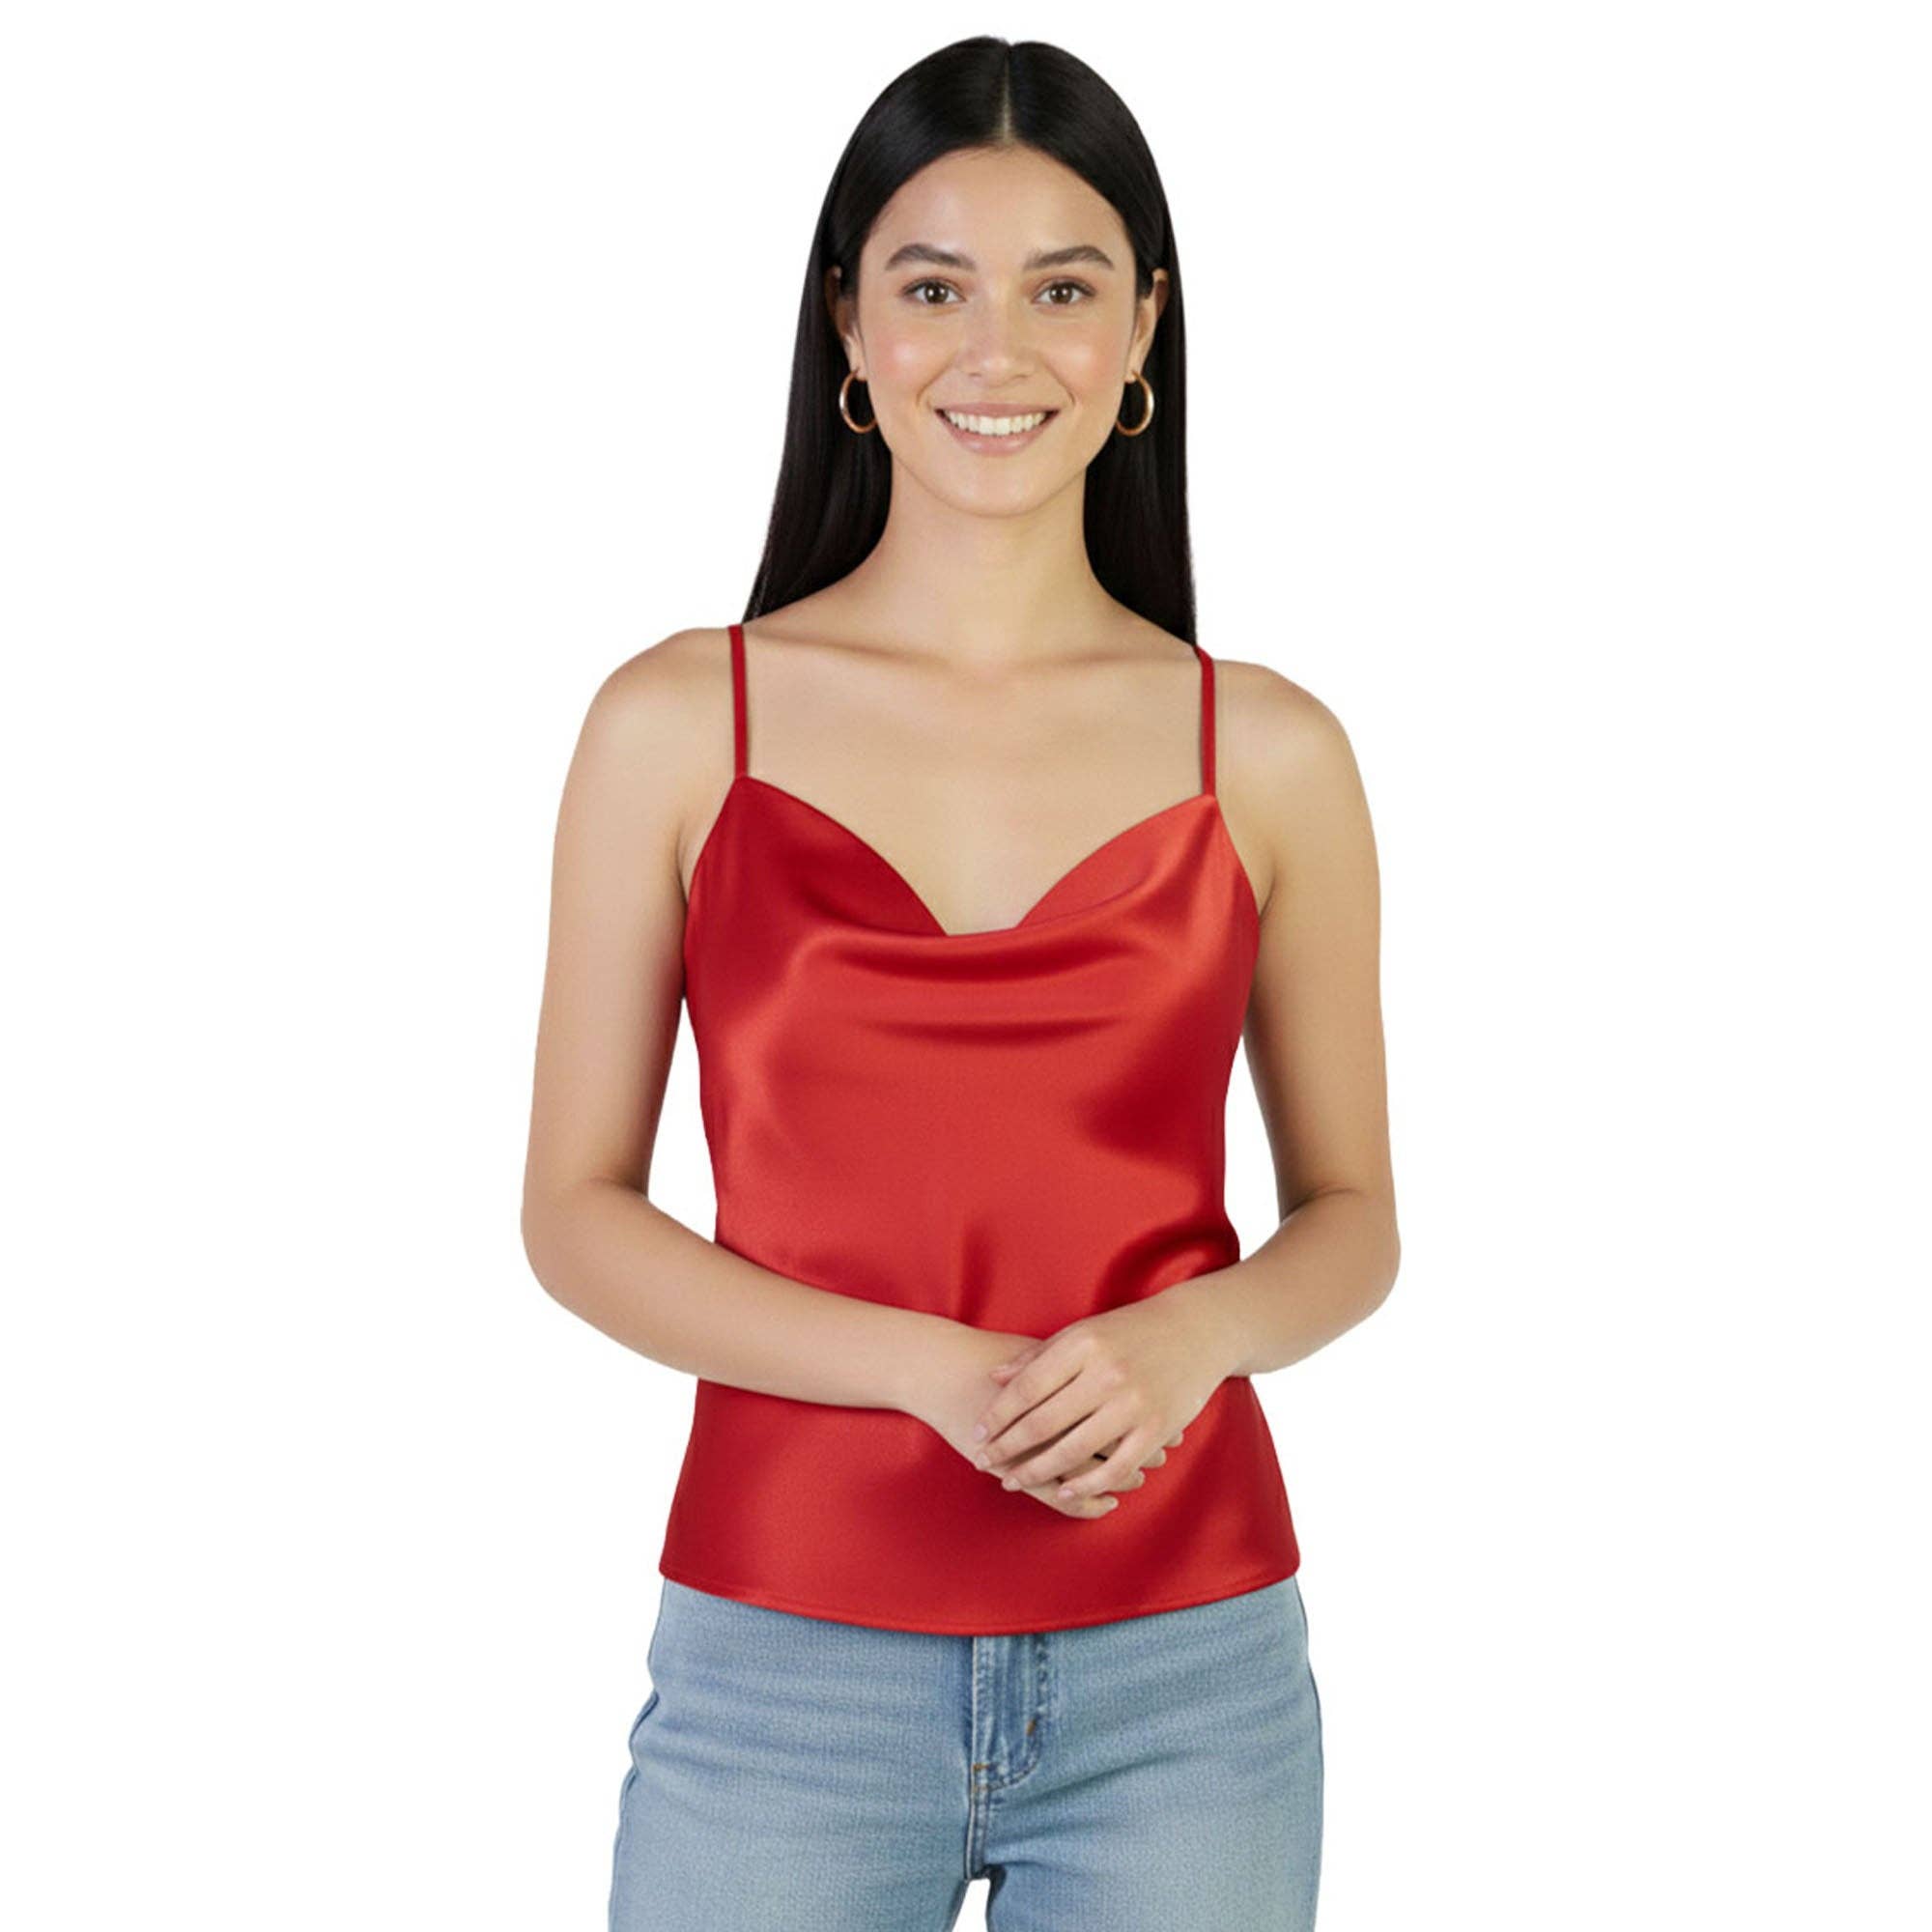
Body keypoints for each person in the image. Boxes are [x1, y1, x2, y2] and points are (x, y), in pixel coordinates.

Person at [521, 35, 1398, 1932]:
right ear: (847, 327)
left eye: (1062, 289)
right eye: (933, 289)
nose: (997, 350)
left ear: (1142, 330)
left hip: (1189, 1678)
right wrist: (933, 1373)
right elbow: (575, 1215)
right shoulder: (678, 722)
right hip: (784, 1668)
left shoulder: (1267, 750)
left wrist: (1189, 1337)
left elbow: (1352, 1221)